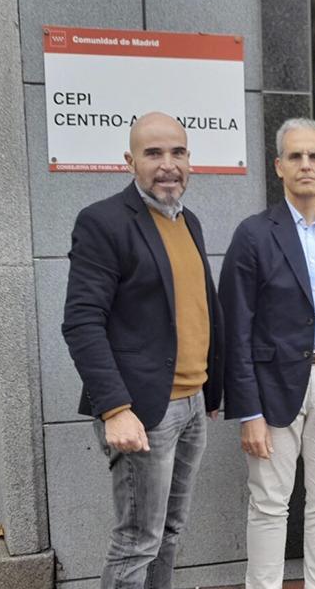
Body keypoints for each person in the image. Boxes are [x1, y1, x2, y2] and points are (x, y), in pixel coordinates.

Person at [62, 111, 224, 589]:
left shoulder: (187, 221)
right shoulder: (103, 222)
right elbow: (81, 322)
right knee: (137, 541)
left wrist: (210, 389)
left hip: (191, 405)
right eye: (154, 153)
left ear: (190, 160)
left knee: (168, 534)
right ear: (130, 160)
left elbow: (199, 308)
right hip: (142, 410)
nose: (167, 164)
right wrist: (114, 408)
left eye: (177, 152)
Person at [219, 118, 315, 589]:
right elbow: (235, 328)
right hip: (272, 390)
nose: (305, 165)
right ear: (279, 167)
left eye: (314, 157)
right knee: (269, 502)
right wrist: (247, 410)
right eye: (295, 156)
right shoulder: (252, 234)